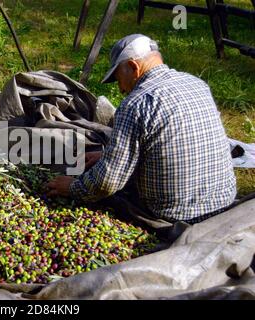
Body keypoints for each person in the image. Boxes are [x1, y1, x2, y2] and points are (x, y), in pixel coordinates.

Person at [45, 34, 236, 224]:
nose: (120, 89)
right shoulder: (196, 83)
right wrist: (108, 156)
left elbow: (107, 183)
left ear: (133, 67)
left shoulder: (136, 104)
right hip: (222, 202)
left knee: (109, 195)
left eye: (118, 78)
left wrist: (72, 188)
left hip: (175, 213)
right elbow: (170, 144)